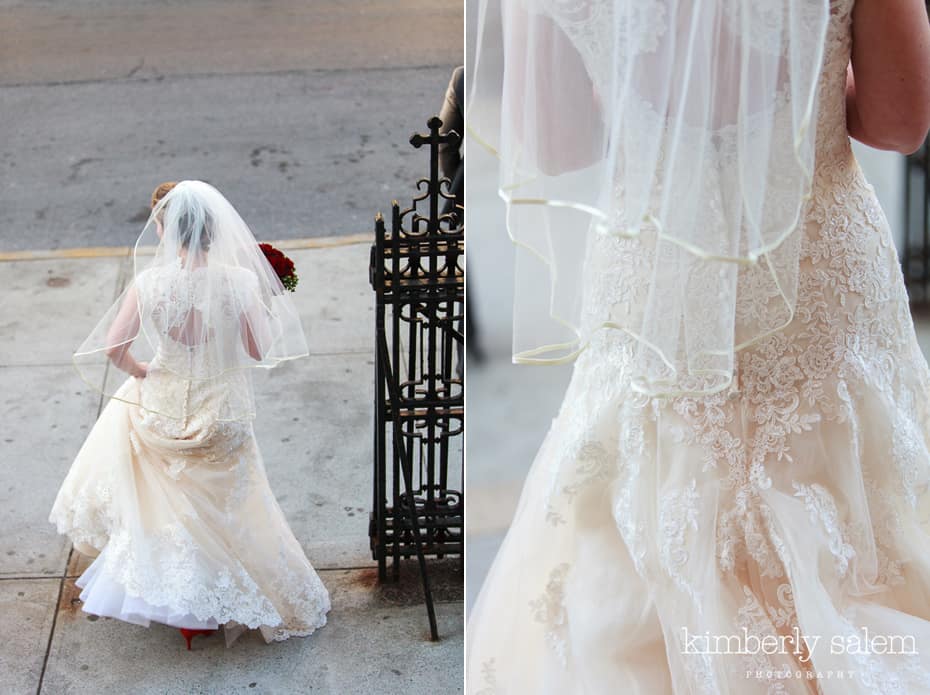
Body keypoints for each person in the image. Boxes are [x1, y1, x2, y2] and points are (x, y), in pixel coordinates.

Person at [467, 0, 930, 692]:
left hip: (654, 290)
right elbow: (899, 120)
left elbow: (557, 141)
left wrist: (643, 96)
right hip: (815, 281)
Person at [49, 180, 331, 650]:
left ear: (165, 230)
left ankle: (185, 606)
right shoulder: (239, 281)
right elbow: (258, 350)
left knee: (168, 506)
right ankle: (227, 596)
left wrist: (140, 370)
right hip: (221, 411)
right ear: (214, 230)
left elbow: (114, 347)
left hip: (162, 407)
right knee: (233, 507)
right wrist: (263, 302)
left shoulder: (150, 283)